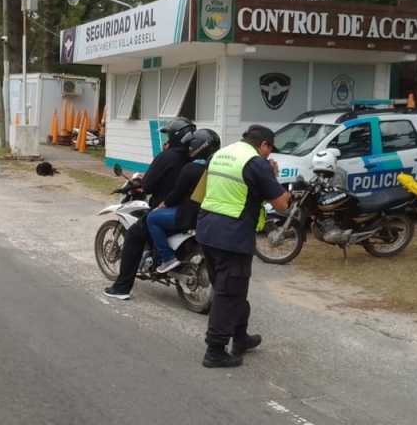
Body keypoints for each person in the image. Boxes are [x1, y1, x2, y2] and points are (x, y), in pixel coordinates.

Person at [196, 125, 291, 368]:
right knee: (229, 293)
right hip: (232, 236)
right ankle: (215, 350)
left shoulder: (221, 154)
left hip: (207, 230)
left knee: (231, 289)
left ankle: (240, 337)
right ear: (264, 145)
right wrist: (272, 176)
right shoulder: (256, 162)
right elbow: (281, 204)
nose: (269, 156)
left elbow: (207, 191)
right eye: (270, 150)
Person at [102, 117, 196, 300]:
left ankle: (121, 288)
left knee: (133, 235)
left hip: (166, 210)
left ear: (176, 137)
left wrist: (140, 185)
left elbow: (148, 185)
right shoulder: (194, 159)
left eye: (168, 135)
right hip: (189, 211)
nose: (167, 139)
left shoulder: (166, 156)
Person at [145, 128, 220, 274]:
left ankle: (167, 258)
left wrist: (159, 207)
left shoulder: (190, 169)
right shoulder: (216, 169)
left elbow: (175, 195)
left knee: (152, 218)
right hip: (208, 215)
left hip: (189, 215)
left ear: (200, 146)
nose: (189, 148)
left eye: (192, 145)